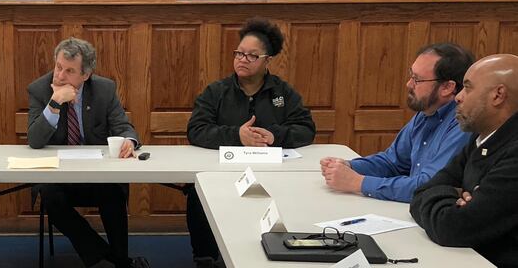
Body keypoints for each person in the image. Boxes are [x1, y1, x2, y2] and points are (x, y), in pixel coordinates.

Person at [186, 18, 316, 267]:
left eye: (251, 56)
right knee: (195, 193)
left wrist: (274, 136)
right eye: (239, 53)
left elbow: (306, 129)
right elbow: (196, 130)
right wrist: (237, 136)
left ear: (267, 60)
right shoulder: (217, 91)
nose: (242, 60)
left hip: (272, 175)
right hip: (222, 173)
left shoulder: (283, 92)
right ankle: (204, 257)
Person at [28, 38, 148, 268]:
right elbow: (34, 140)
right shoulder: (40, 89)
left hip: (96, 175)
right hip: (58, 177)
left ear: (86, 74)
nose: (60, 76)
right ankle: (110, 257)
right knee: (50, 195)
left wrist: (130, 142)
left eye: (70, 71)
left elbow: (123, 126)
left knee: (113, 192)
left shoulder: (104, 89)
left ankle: (119, 259)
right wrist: (54, 103)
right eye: (58, 67)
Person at [320, 43, 474, 202]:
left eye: (417, 79)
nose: (409, 84)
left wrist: (358, 183)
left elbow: (429, 186)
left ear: (447, 87)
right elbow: (392, 162)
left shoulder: (462, 123)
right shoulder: (426, 112)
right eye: (411, 75)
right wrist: (348, 166)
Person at [410, 54, 518, 267]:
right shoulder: (482, 137)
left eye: (468, 88)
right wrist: (453, 196)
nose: (458, 97)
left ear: (498, 95)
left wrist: (446, 200)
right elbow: (421, 193)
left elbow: (452, 228)